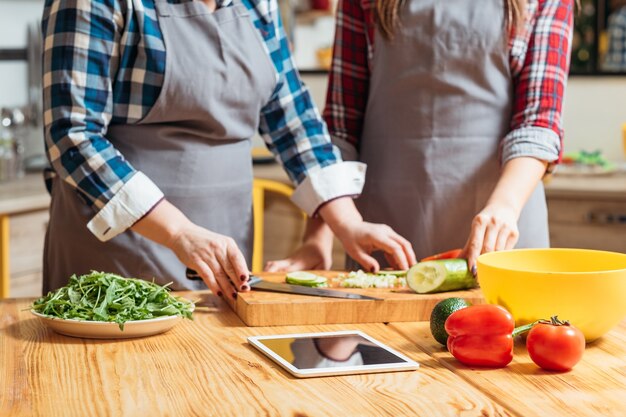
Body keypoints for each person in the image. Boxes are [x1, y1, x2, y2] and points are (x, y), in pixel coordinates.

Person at [41, 0, 417, 300]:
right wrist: (178, 232)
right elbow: (73, 135)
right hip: (119, 256)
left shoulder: (257, 5)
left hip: (223, 252)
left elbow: (292, 119)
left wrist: (347, 222)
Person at [266, 0, 574, 275]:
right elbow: (341, 127)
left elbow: (539, 122)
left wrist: (504, 208)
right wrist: (318, 237)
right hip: (386, 232)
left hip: (504, 219)